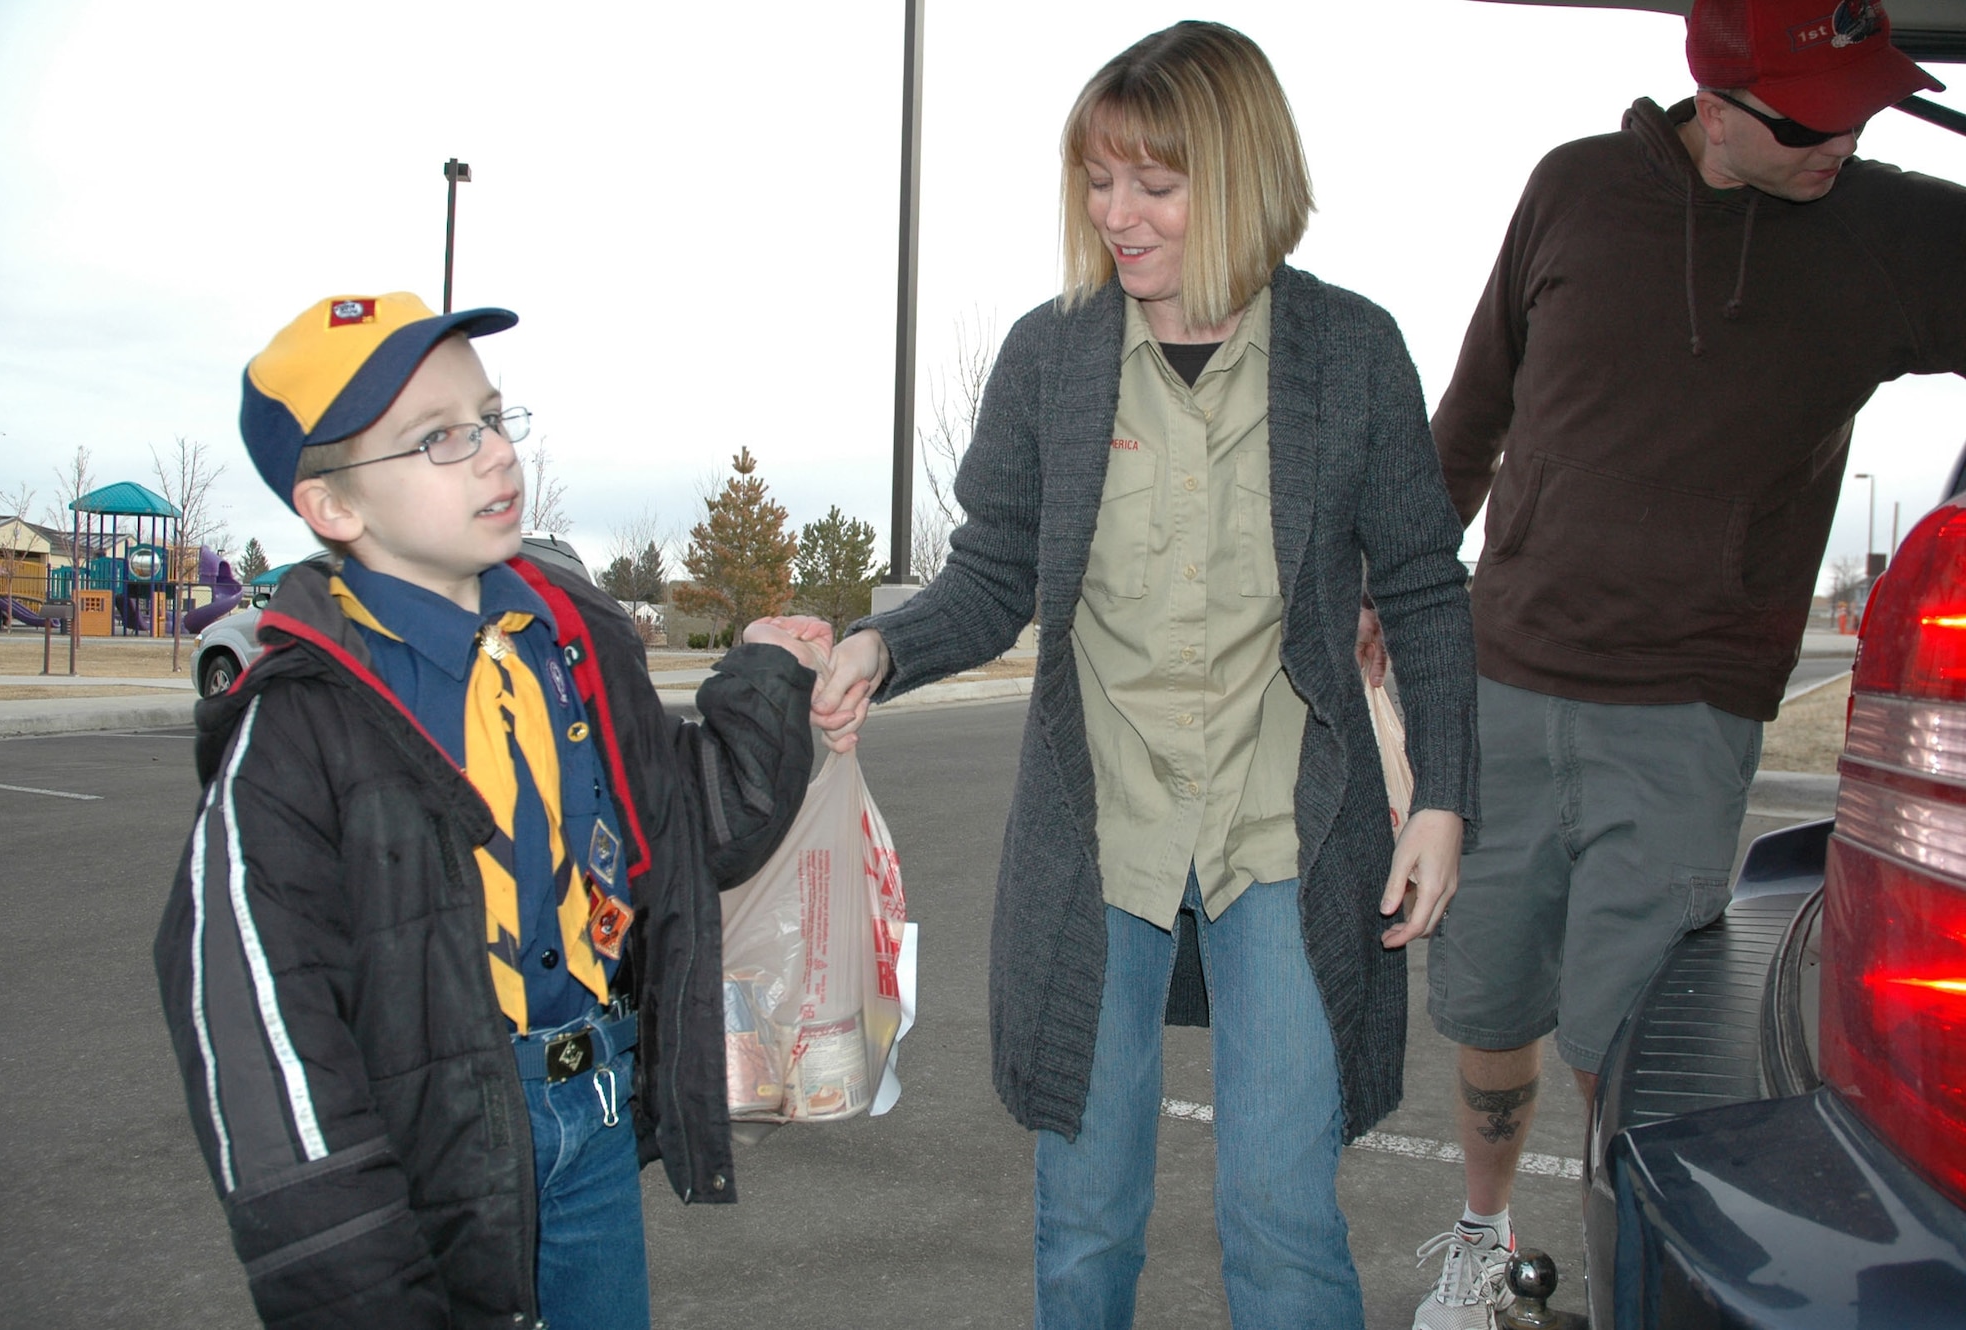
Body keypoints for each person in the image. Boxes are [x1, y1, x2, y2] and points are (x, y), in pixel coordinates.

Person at [810, 22, 1478, 1329]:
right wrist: (881, 647)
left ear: (1238, 177)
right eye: (1099, 179)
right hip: (1095, 837)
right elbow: (994, 573)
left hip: (1285, 834)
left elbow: (1422, 589)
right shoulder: (1050, 357)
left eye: (1155, 185)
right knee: (1083, 1229)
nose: (1117, 214)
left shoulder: (1351, 356)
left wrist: (1445, 794)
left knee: (1283, 1228)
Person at [1414, 1, 1966, 1326]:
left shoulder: (1884, 233)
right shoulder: (1573, 191)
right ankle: (1481, 1239)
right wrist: (1402, 576)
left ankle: (1636, 1283)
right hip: (1504, 677)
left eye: (1859, 108)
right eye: (1804, 118)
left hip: (1684, 717)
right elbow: (1479, 401)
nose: (1839, 138)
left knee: (1626, 1045)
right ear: (1711, 99)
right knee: (1488, 991)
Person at [153, 292, 833, 1328]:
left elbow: (689, 824)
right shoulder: (297, 734)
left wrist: (769, 678)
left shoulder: (568, 640)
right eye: (439, 439)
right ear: (334, 509)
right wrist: (363, 1280)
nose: (495, 455)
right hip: (431, 1154)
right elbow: (263, 1043)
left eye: (493, 415)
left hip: (592, 1121)